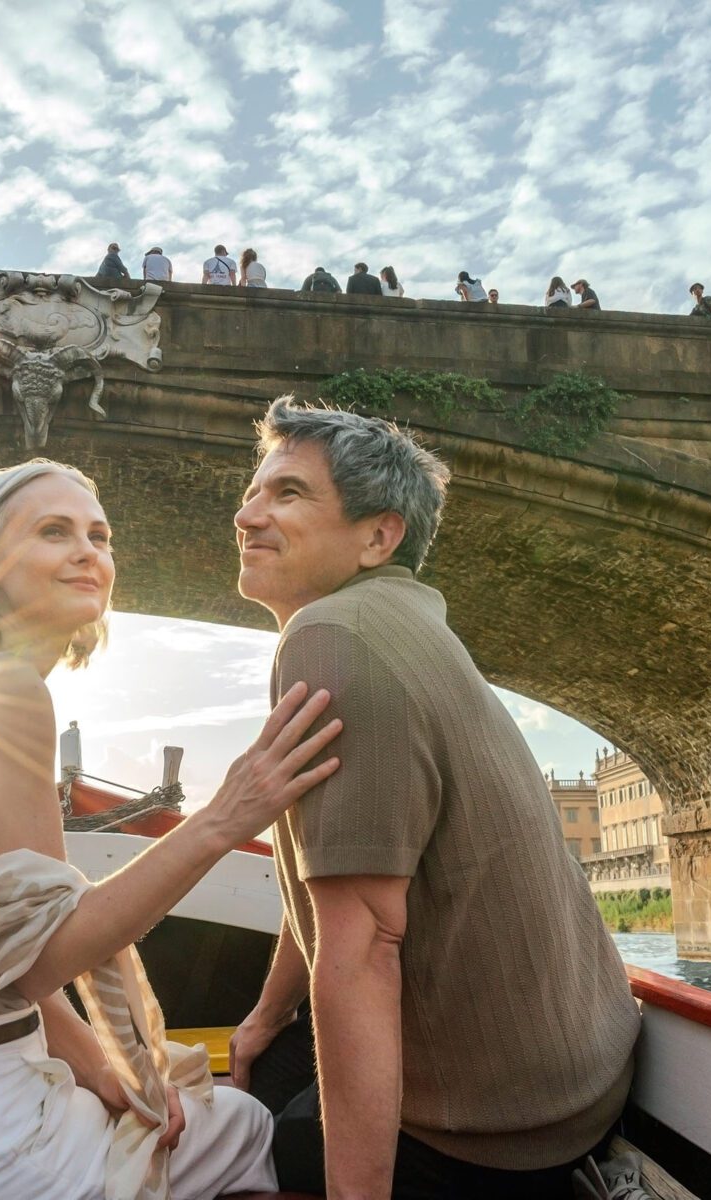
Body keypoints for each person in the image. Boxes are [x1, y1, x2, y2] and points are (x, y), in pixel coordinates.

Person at [0, 460, 340, 1200]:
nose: (89, 552)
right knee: (241, 1130)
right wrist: (225, 817)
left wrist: (111, 1076)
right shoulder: (5, 688)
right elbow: (44, 953)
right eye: (55, 532)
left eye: (99, 535)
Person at [229, 399, 641, 1198]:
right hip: (583, 1081)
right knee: (268, 1064)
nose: (247, 515)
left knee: (211, 1150)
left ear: (378, 536)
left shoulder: (330, 636)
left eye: (287, 494)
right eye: (253, 492)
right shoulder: (408, 623)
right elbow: (326, 873)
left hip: (497, 1135)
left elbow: (365, 941)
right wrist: (264, 1016)